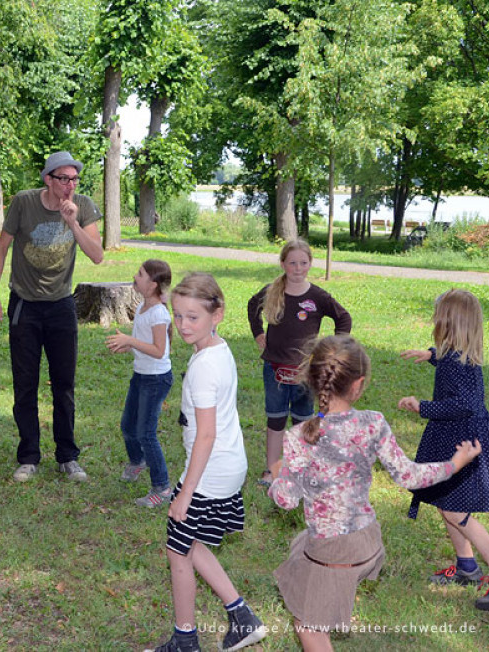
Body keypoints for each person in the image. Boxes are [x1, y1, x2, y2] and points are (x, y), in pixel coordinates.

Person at [269, 335, 482, 649]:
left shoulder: (299, 436)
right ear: (359, 384)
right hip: (367, 543)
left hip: (333, 553)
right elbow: (410, 475)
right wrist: (455, 462)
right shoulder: (373, 423)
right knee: (303, 574)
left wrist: (278, 476)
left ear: (313, 382)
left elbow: (285, 500)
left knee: (310, 626)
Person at [146, 273, 266, 652]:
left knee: (177, 549)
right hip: (228, 464)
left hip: (210, 470)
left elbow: (206, 435)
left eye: (192, 317)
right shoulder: (217, 349)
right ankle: (242, 617)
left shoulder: (202, 368)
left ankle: (185, 640)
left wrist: (185, 493)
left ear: (217, 314)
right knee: (191, 542)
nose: (182, 325)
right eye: (178, 316)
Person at [0, 151, 104, 482]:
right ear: (48, 179)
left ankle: (67, 456)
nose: (69, 185)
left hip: (61, 305)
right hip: (24, 303)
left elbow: (97, 255)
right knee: (25, 384)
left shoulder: (83, 205)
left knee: (64, 384)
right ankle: (29, 457)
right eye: (63, 178)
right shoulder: (24, 203)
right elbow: (1, 248)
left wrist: (72, 221)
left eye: (74, 179)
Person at [397, 289, 489, 610]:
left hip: (464, 444)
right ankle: (466, 567)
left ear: (449, 323)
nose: (434, 321)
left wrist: (421, 406)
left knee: (455, 510)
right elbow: (450, 365)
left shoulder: (456, 364)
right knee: (444, 502)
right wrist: (430, 355)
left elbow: (465, 404)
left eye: (438, 316)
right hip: (457, 438)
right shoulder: (457, 356)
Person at [247, 238, 351, 486]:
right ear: (283, 264)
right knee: (275, 418)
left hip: (305, 371)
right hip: (274, 369)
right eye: (292, 263)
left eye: (303, 263)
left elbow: (343, 318)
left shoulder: (317, 296)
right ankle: (272, 470)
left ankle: (299, 469)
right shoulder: (273, 291)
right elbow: (253, 306)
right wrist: (258, 333)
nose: (297, 268)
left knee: (302, 421)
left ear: (310, 264)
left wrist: (332, 350)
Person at [105, 259, 173, 507]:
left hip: (156, 380)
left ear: (153, 284)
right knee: (127, 425)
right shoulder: (144, 306)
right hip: (141, 375)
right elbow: (144, 343)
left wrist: (130, 342)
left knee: (146, 433)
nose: (135, 276)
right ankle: (137, 462)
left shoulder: (158, 313)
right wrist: (128, 345)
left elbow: (158, 350)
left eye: (140, 274)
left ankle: (163, 488)